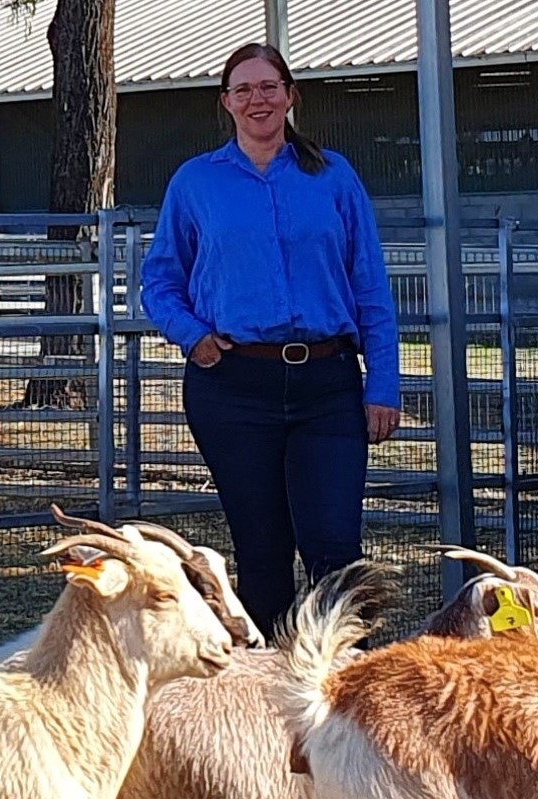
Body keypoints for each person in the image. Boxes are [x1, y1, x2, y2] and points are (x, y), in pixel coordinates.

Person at [138, 41, 401, 629]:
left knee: (334, 547)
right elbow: (159, 281)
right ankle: (272, 697)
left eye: (268, 87)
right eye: (244, 89)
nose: (258, 99)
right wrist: (194, 337)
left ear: (290, 96)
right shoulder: (196, 183)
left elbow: (371, 285)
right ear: (226, 103)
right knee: (261, 553)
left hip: (327, 384)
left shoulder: (333, 177)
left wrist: (382, 382)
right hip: (234, 385)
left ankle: (344, 691)